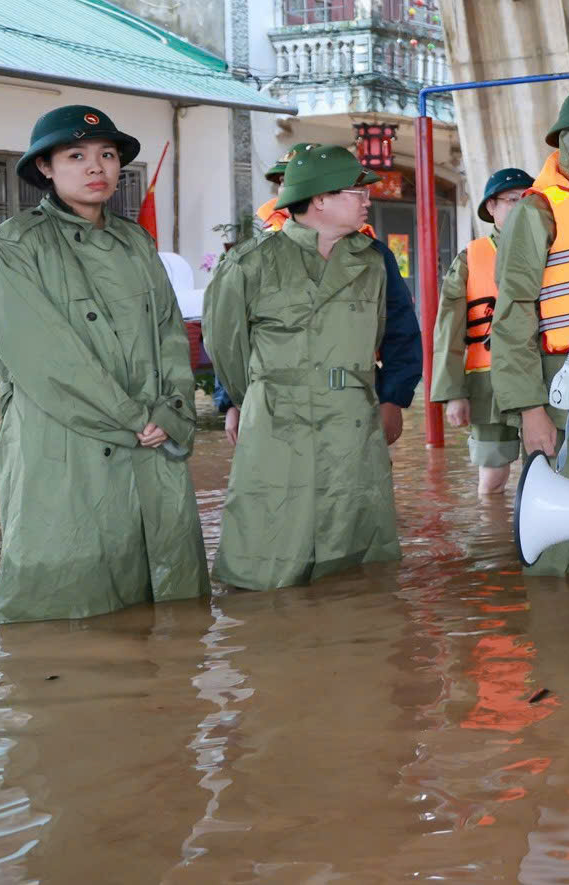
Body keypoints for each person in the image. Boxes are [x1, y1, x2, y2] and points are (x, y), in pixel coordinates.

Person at [0, 105, 208, 623]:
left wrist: (171, 410)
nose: (96, 167)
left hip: (153, 437)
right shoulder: (19, 244)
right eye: (76, 155)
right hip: (66, 441)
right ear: (45, 167)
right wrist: (133, 419)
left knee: (170, 613)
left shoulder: (135, 241)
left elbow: (171, 336)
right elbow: (42, 353)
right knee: (68, 605)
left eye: (107, 155)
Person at [205, 144, 400, 591]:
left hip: (351, 422)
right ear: (319, 199)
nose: (367, 199)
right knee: (269, 552)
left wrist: (385, 397)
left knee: (355, 564)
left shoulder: (372, 263)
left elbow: (386, 336)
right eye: (356, 191)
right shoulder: (250, 263)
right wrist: (247, 399)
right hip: (277, 419)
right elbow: (226, 347)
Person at [490, 85, 569, 574]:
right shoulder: (535, 212)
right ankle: (547, 631)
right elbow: (513, 315)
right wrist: (529, 409)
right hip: (565, 391)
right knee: (553, 550)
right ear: (568, 141)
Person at [229, 141, 419, 447]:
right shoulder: (254, 256)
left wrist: (393, 398)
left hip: (354, 401)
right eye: (282, 182)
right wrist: (233, 401)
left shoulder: (372, 256)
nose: (288, 189)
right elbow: (232, 338)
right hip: (277, 413)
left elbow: (401, 332)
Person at [432, 168, 533, 496]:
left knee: (547, 470)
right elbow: (449, 329)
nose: (520, 207)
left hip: (541, 376)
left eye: (528, 201)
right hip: (486, 382)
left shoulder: (551, 251)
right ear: (492, 207)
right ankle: (492, 543)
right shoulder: (470, 257)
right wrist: (454, 394)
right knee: (493, 479)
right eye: (511, 200)